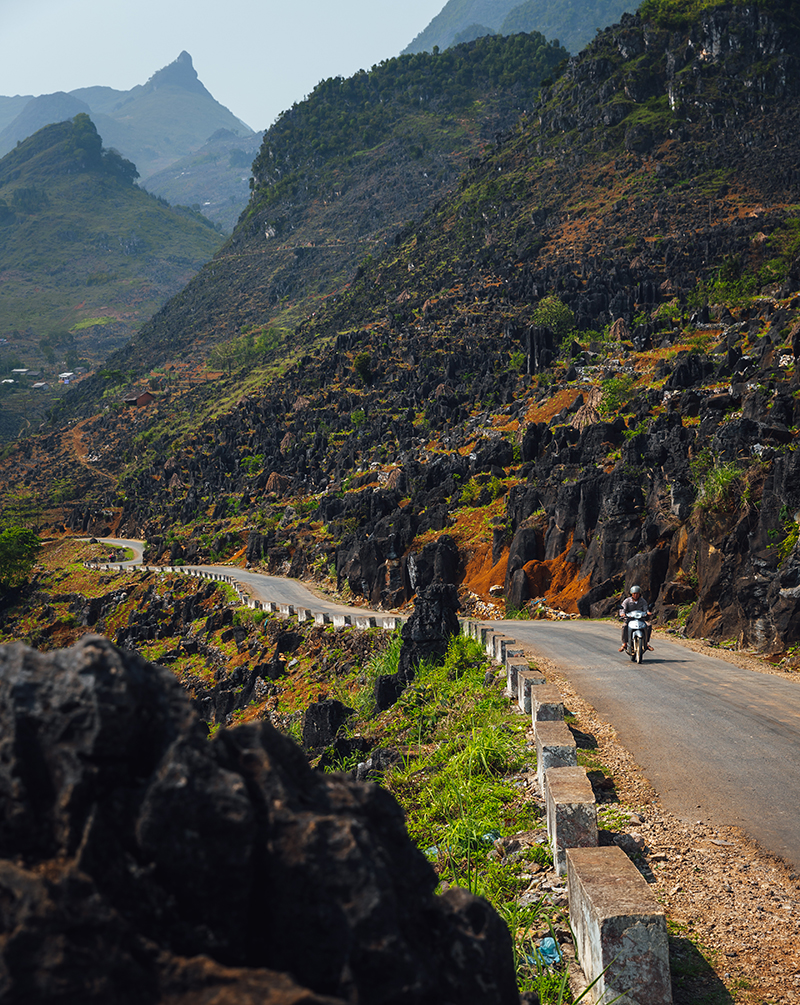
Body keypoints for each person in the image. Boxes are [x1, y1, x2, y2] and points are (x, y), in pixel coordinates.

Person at [618, 584, 653, 652]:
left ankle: (646, 643)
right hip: (629, 619)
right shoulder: (627, 601)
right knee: (624, 626)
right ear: (631, 594)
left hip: (641, 619)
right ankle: (624, 643)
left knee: (648, 625)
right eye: (634, 594)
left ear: (640, 594)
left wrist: (648, 612)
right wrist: (622, 614)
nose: (635, 595)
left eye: (637, 593)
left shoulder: (643, 601)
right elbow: (623, 608)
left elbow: (646, 609)